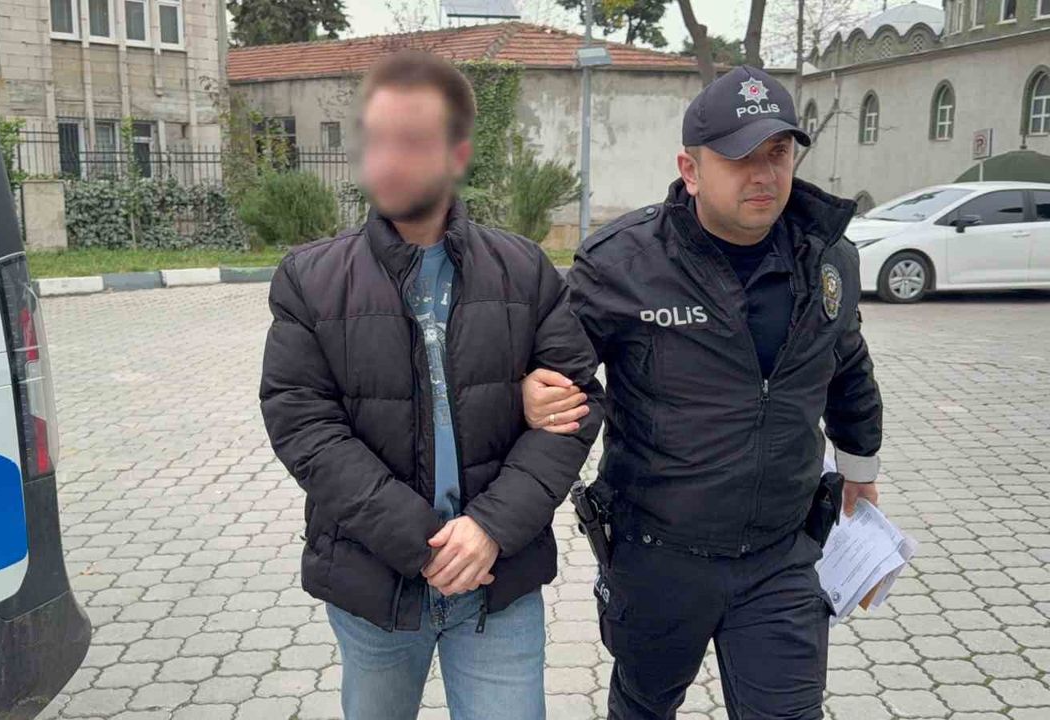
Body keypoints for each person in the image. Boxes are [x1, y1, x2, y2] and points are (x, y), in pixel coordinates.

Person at [522, 66, 884, 720]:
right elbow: (560, 369)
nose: (765, 174)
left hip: (781, 552)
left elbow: (848, 361)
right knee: (643, 707)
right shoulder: (621, 263)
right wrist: (529, 389)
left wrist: (861, 469)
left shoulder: (829, 256)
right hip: (659, 557)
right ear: (690, 170)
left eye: (779, 153)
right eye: (741, 157)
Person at [258, 49, 604, 720]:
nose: (389, 161)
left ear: (457, 155)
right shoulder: (309, 280)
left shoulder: (525, 270)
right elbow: (304, 426)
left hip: (498, 586)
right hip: (375, 587)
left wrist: (491, 528)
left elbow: (576, 408)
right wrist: (426, 546)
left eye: (413, 142)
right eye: (377, 141)